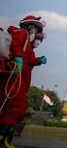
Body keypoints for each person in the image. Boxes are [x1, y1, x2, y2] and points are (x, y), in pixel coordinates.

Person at [0, 15, 47, 148]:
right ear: (31, 28)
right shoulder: (21, 34)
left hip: (20, 80)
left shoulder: (29, 46)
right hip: (14, 79)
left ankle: (5, 139)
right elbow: (16, 47)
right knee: (18, 107)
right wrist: (18, 57)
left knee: (10, 108)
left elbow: (28, 60)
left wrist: (38, 60)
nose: (38, 36)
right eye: (37, 32)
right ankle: (3, 140)